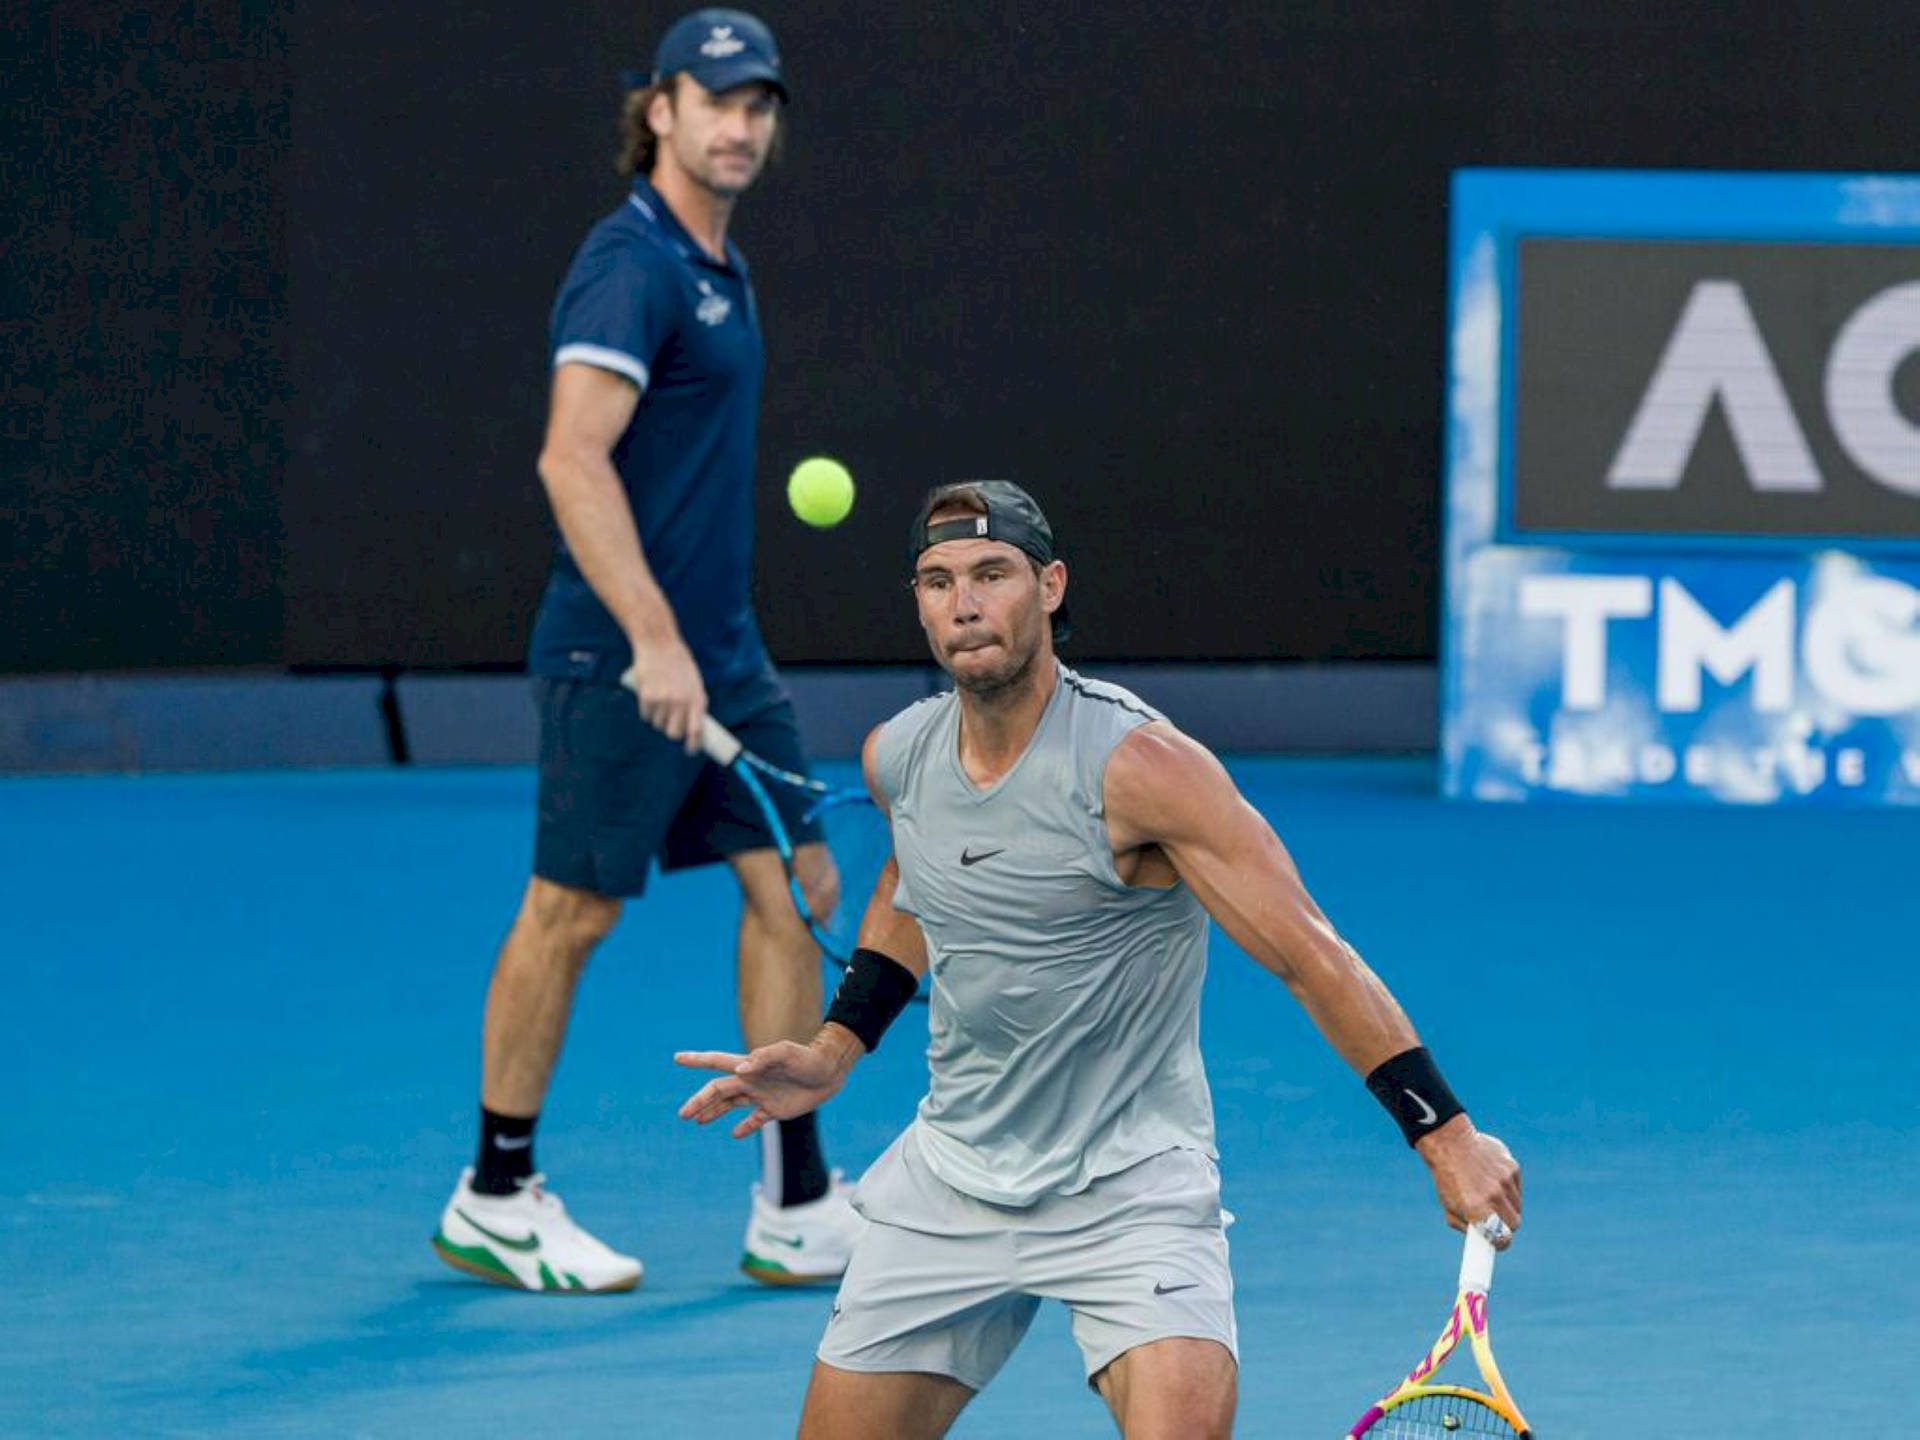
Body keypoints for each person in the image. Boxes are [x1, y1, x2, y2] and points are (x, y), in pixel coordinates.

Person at [675, 481, 1524, 1436]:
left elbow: (1308, 953)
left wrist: (1443, 1134)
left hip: (1130, 1187)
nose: (964, 604)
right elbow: (910, 886)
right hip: (953, 1176)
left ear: (1050, 587)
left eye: (992, 575)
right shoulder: (898, 756)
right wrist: (834, 1050)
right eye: (938, 580)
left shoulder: (1144, 769)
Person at [431, 8, 862, 1295]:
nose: (741, 124)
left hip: (721, 652)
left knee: (800, 881)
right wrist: (653, 641)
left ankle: (794, 1199)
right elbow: (572, 457)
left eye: (758, 103)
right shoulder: (631, 265)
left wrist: (700, 644)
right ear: (659, 110)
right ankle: (495, 1192)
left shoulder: (718, 267)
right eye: (715, 99)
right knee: (572, 910)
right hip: (618, 656)